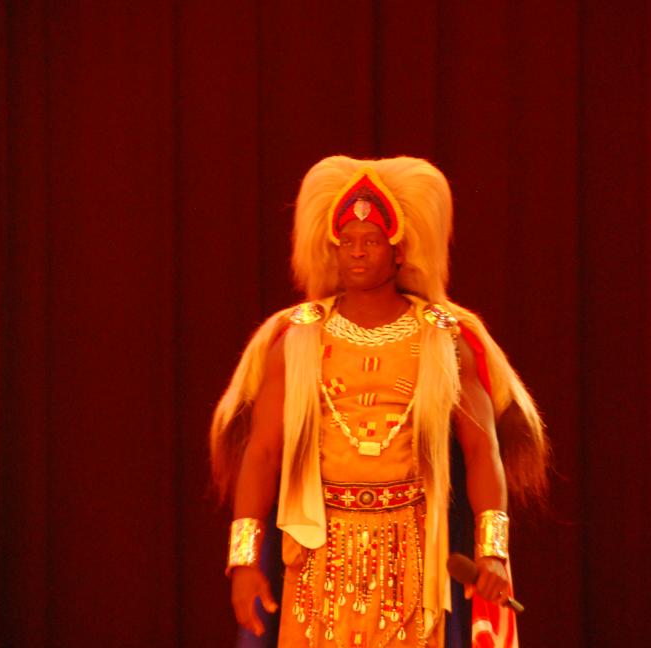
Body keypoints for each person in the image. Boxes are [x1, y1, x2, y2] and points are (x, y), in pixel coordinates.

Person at [210, 156, 549, 647]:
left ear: (398, 252)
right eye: (346, 242)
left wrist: (492, 551)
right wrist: (244, 561)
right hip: (315, 555)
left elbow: (482, 451)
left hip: (412, 556)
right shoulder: (297, 339)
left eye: (370, 241)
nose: (356, 252)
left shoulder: (444, 340)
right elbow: (262, 452)